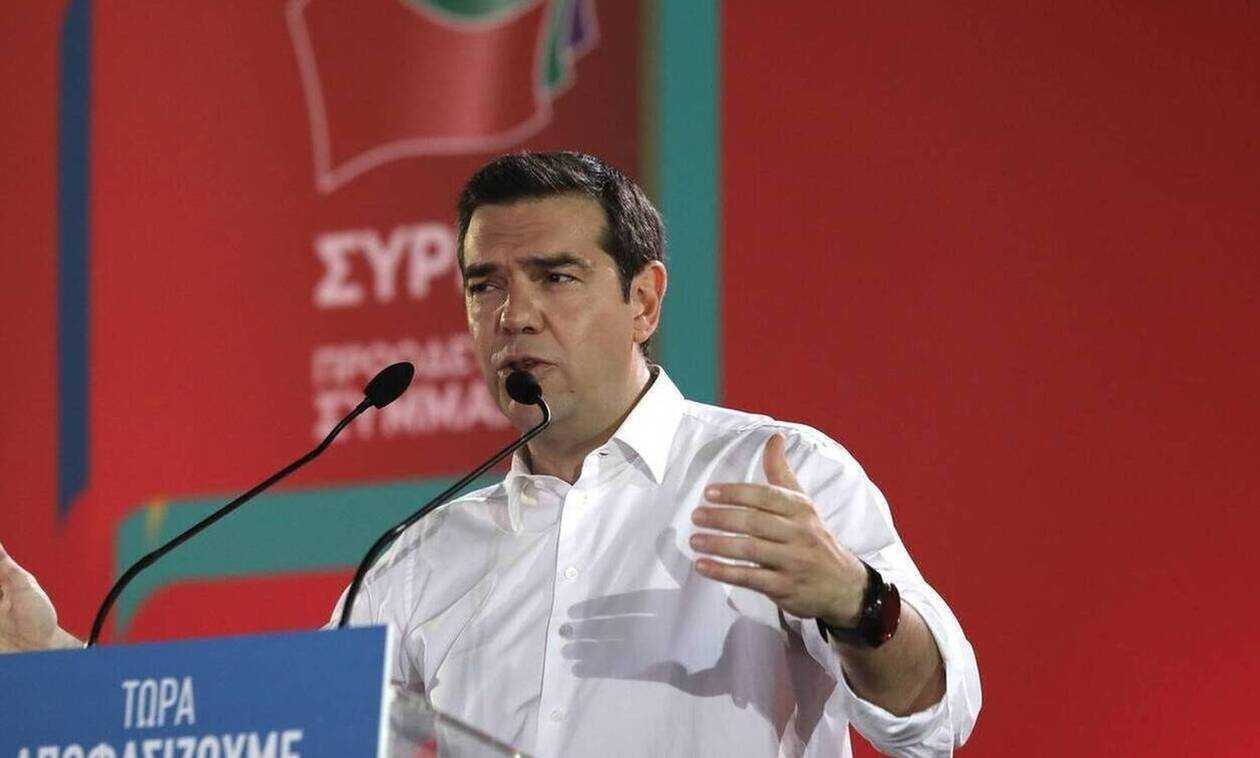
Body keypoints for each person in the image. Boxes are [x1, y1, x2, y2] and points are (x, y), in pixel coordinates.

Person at [1, 152, 980, 756]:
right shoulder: (420, 556)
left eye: (555, 276)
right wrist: (55, 673)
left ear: (644, 300)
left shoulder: (776, 473)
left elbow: (935, 717)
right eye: (485, 285)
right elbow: (287, 736)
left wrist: (856, 600)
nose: (513, 313)